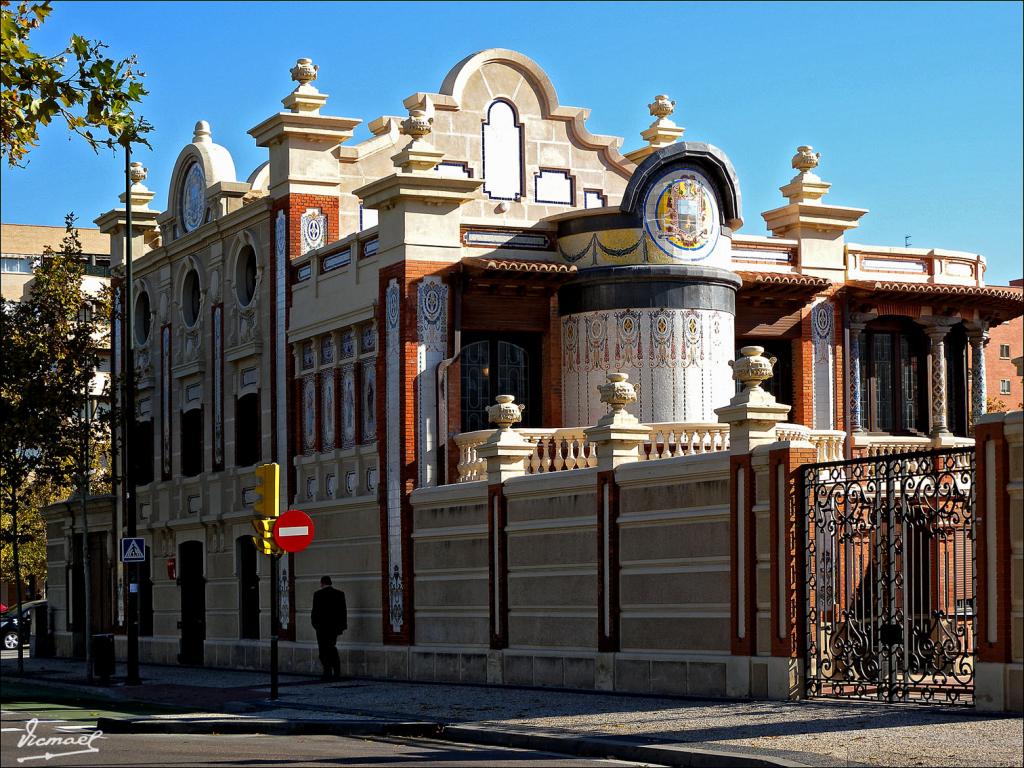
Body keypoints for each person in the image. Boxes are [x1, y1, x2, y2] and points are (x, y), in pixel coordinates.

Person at [310, 576, 347, 680]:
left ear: (322, 583)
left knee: (323, 650)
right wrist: (341, 627)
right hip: (334, 628)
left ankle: (327, 672)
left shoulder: (318, 594)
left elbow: (314, 612)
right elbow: (343, 612)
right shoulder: (339, 594)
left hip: (321, 628)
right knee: (332, 648)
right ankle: (336, 671)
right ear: (330, 583)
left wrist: (315, 625)